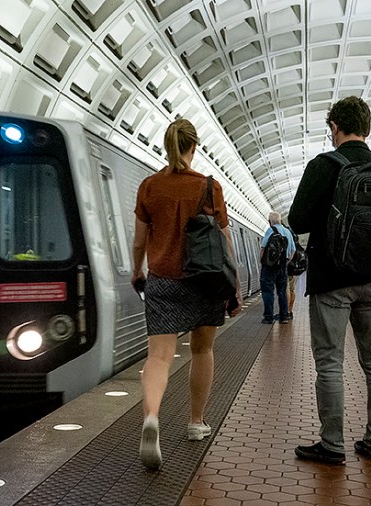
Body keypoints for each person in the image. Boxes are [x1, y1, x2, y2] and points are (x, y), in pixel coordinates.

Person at [131, 118, 243, 470]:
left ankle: (151, 418)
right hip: (205, 280)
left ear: (167, 147)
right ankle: (196, 423)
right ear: (194, 147)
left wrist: (139, 270)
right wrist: (234, 284)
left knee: (159, 357)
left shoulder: (149, 186)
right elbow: (224, 241)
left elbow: (139, 241)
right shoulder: (210, 187)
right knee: (202, 349)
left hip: (163, 280)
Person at [288, 96, 371, 464]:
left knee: (330, 362)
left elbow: (297, 220)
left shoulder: (324, 165)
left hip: (332, 279)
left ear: (335, 127)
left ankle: (332, 444)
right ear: (367, 128)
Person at [259, 212, 295, 324]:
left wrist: (261, 262)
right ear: (280, 220)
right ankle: (284, 316)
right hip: (283, 266)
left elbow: (263, 248)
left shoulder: (271, 231)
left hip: (269, 267)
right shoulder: (288, 232)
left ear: (270, 222)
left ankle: (268, 317)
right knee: (282, 291)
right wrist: (287, 261)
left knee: (267, 291)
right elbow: (293, 250)